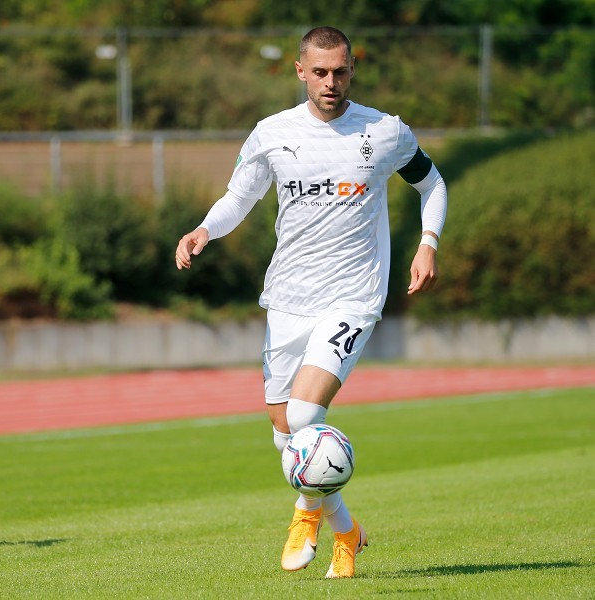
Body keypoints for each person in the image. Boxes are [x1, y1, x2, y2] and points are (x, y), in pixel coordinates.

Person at [175, 26, 446, 578]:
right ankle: (346, 530)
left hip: (353, 295)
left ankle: (306, 515)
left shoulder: (384, 130)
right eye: (320, 72)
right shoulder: (272, 133)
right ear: (300, 71)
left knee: (304, 414)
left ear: (352, 70)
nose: (331, 82)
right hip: (287, 298)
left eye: (341, 71)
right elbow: (239, 196)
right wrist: (205, 229)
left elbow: (432, 184)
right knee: (285, 435)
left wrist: (428, 244)